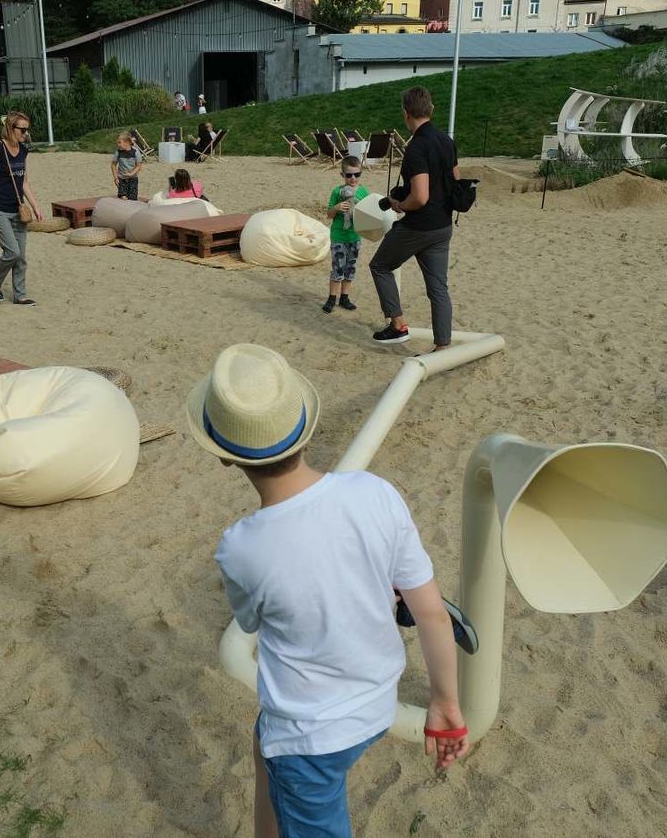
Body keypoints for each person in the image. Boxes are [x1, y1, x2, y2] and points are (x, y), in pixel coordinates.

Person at [186, 343, 469, 838]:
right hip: (375, 703)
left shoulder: (241, 547)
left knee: (293, 780)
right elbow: (431, 613)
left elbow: (252, 622)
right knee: (263, 746)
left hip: (308, 737)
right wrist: (445, 701)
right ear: (303, 426)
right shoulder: (375, 493)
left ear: (227, 459)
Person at [367, 86, 460, 348]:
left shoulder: (417, 147)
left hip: (419, 227)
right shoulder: (447, 142)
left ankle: (397, 326)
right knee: (438, 289)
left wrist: (400, 204)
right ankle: (443, 346)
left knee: (380, 266)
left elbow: (420, 197)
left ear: (406, 113)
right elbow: (455, 181)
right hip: (443, 225)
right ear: (430, 109)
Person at [0, 110, 44, 306]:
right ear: (11, 128)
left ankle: (20, 295)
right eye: (22, 129)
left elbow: (24, 181)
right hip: (0, 209)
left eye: (27, 130)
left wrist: (35, 206)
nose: (26, 133)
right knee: (12, 251)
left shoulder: (24, 150)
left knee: (21, 257)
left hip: (19, 209)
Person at [323, 156, 368, 314]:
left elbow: (369, 214)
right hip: (339, 236)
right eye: (349, 175)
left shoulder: (363, 192)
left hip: (355, 236)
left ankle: (345, 297)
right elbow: (328, 214)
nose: (353, 178)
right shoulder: (337, 192)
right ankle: (331, 298)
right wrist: (336, 208)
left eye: (357, 174)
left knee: (350, 268)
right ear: (342, 175)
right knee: (337, 268)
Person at [111, 132, 143, 201]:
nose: (118, 145)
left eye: (120, 143)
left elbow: (139, 165)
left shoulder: (135, 151)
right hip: (121, 179)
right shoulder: (118, 152)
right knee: (123, 197)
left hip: (133, 179)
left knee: (132, 199)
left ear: (127, 142)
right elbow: (113, 165)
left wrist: (131, 173)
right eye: (117, 143)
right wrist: (116, 178)